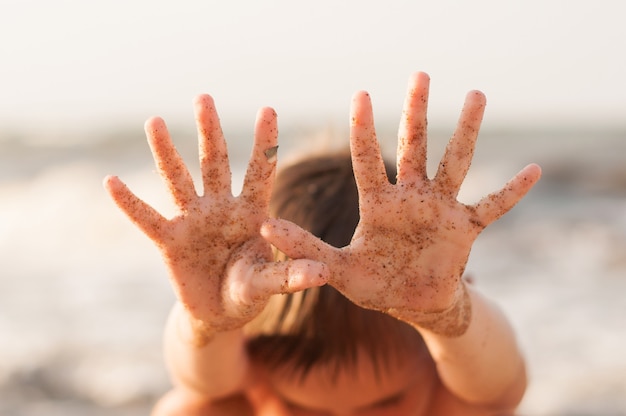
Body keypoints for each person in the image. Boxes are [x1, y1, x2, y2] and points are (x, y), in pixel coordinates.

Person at [104, 72, 541, 415]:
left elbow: (501, 385)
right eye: (300, 408)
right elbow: (203, 383)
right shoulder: (243, 390)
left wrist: (449, 315)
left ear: (433, 360)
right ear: (252, 360)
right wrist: (209, 324)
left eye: (384, 405)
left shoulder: (450, 397)